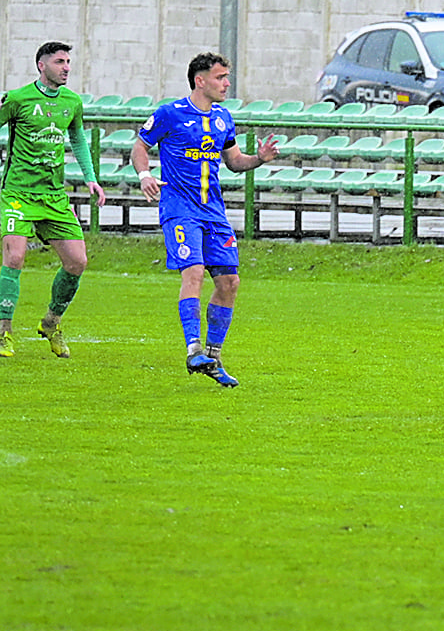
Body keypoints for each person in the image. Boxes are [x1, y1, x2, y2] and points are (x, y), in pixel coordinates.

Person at [130, 53, 279, 385]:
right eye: (221, 77)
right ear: (200, 80)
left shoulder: (224, 117)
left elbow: (234, 160)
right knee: (194, 272)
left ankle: (212, 357)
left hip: (214, 213)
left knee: (229, 282)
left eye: (227, 77)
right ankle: (193, 349)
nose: (227, 83)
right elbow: (140, 147)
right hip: (179, 209)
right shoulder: (170, 113)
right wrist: (144, 175)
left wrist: (259, 159)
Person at [0, 40, 102, 359]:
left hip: (54, 196)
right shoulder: (17, 99)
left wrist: (91, 178)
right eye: (60, 61)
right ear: (42, 65)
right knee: (14, 256)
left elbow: (79, 140)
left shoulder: (72, 102)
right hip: (17, 193)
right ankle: (3, 333)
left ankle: (51, 322)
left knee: (77, 261)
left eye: (68, 62)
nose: (66, 67)